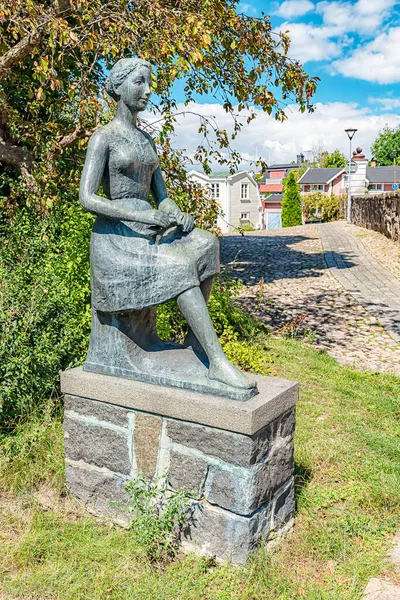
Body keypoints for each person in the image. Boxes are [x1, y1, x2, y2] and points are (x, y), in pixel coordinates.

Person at [79, 57, 254, 390]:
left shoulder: (147, 141)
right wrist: (140, 215)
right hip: (116, 237)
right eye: (139, 82)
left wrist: (176, 213)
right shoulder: (103, 137)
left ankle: (197, 343)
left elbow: (163, 196)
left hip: (149, 228)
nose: (148, 91)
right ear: (118, 88)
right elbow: (87, 198)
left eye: (149, 83)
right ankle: (217, 362)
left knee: (207, 244)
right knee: (181, 264)